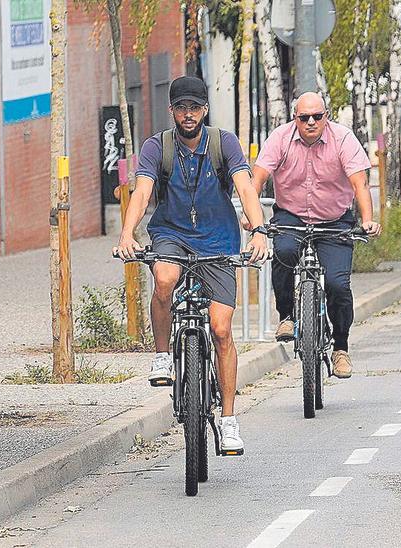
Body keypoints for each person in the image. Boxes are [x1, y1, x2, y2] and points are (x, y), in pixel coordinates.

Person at [114, 76, 271, 455]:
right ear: (172, 111)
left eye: (195, 108)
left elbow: (245, 188)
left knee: (220, 329)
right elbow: (143, 192)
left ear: (205, 110)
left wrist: (260, 231)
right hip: (172, 234)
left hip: (218, 239)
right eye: (181, 107)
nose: (188, 114)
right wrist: (126, 234)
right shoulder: (157, 147)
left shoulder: (223, 143)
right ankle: (162, 356)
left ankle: (230, 421)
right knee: (164, 278)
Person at [250, 92, 380, 379]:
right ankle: (287, 316)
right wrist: (252, 217)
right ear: (295, 118)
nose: (310, 122)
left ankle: (341, 348)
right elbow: (257, 179)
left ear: (327, 116)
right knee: (283, 252)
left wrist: (368, 220)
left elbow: (360, 183)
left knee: (337, 284)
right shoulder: (280, 138)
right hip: (291, 215)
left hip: (334, 220)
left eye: (317, 116)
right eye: (304, 117)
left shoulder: (343, 139)